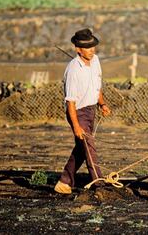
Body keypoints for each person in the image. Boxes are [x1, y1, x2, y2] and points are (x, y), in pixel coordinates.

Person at [54, 28, 111, 194]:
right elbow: (70, 102)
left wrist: (102, 104)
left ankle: (64, 181)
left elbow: (97, 85)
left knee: (82, 148)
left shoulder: (96, 61)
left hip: (91, 110)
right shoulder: (73, 70)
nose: (92, 50)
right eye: (87, 47)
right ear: (78, 49)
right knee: (90, 149)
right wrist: (76, 125)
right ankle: (98, 184)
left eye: (93, 46)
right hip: (78, 112)